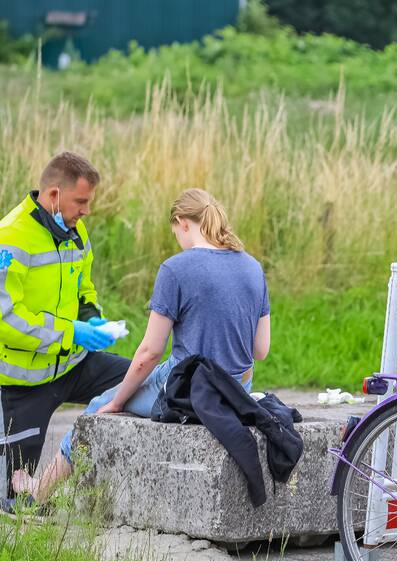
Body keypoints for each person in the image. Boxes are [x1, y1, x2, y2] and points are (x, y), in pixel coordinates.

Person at [9, 188, 271, 505]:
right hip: (237, 390)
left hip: (187, 392)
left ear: (182, 223)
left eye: (175, 233)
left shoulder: (176, 269)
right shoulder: (252, 267)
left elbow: (150, 352)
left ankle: (40, 490)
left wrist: (117, 401)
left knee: (98, 405)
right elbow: (260, 350)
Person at [0, 152, 129, 512]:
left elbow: (84, 289)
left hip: (74, 364)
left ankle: (108, 493)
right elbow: (5, 320)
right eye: (81, 201)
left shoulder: (76, 230)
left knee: (141, 381)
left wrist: (93, 319)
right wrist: (71, 332)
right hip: (23, 384)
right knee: (14, 502)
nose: (87, 210)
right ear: (54, 195)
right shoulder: (10, 238)